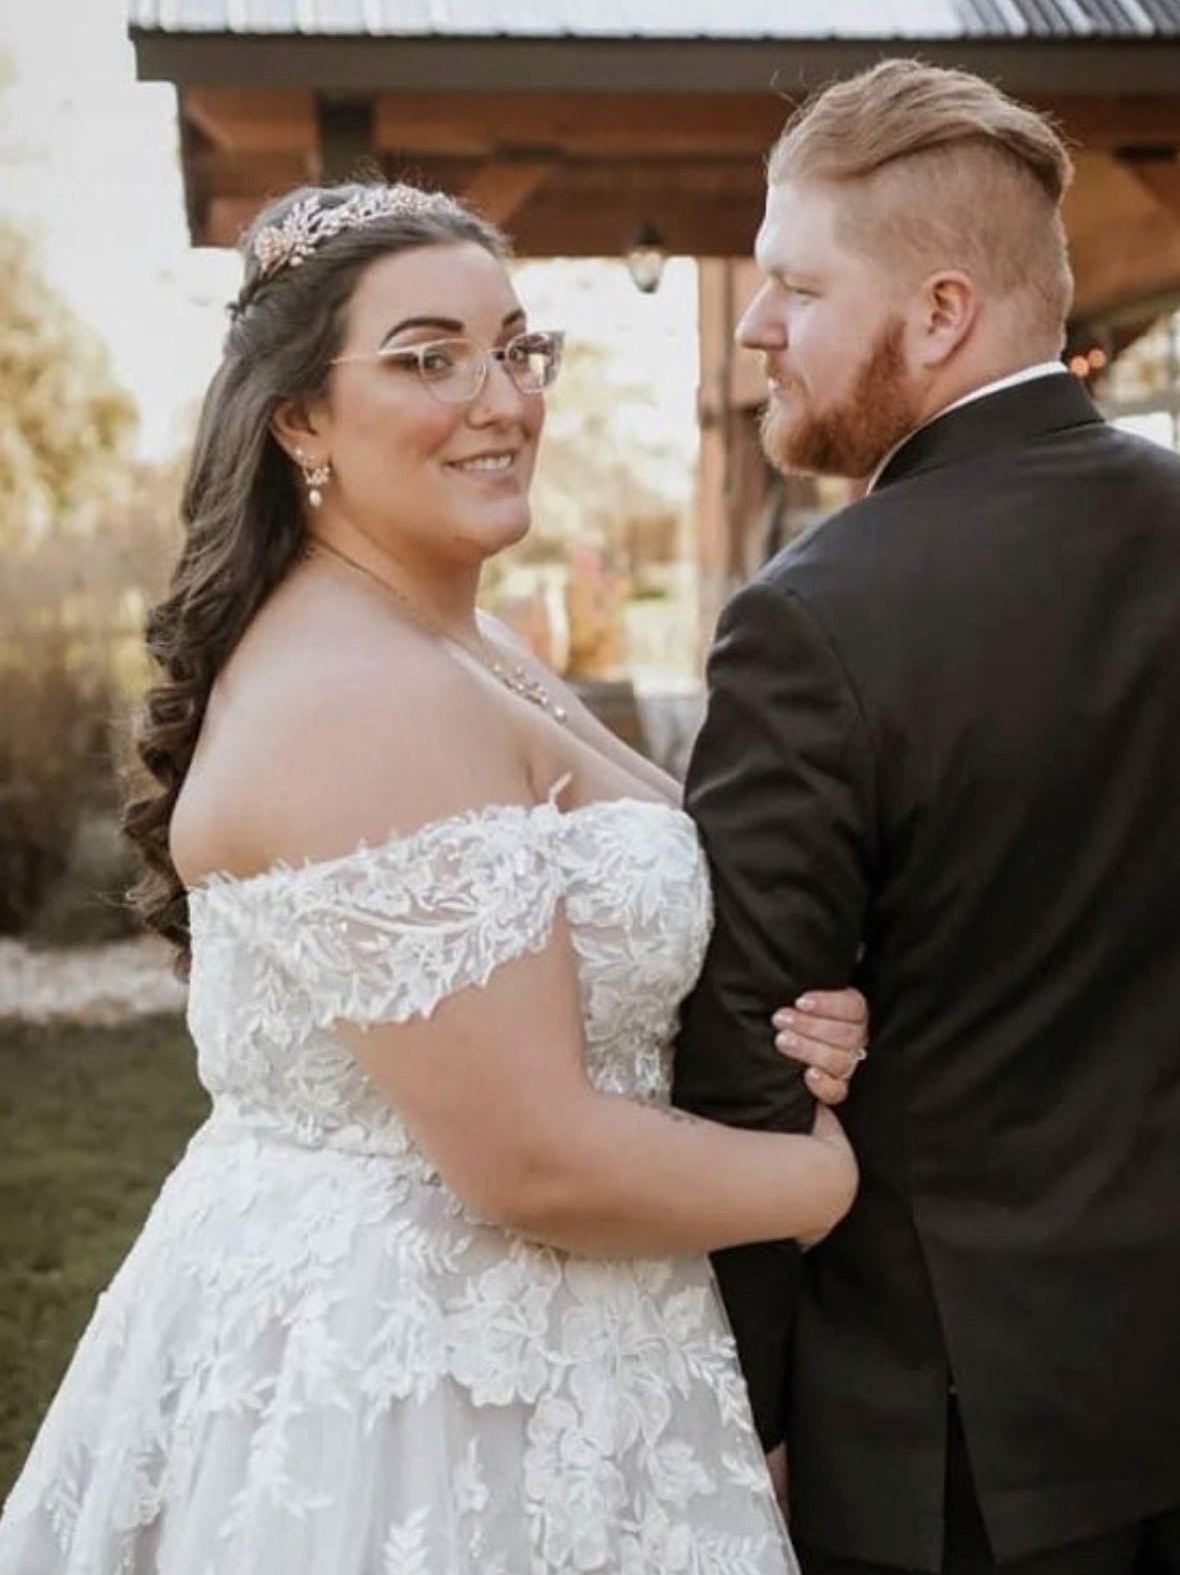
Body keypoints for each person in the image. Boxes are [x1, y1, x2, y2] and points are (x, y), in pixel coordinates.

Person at [0, 180, 869, 1574]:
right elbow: (531, 1155)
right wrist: (824, 1183)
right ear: (298, 419)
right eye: (426, 358)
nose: (501, 399)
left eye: (516, 349)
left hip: (567, 1343)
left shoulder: (451, 637)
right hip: (424, 1398)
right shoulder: (362, 694)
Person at [671, 58, 1180, 1575]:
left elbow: (745, 1062)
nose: (760, 326)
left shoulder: (809, 622)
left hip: (955, 1441)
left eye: (793, 285)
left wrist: (747, 1417)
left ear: (942, 312)